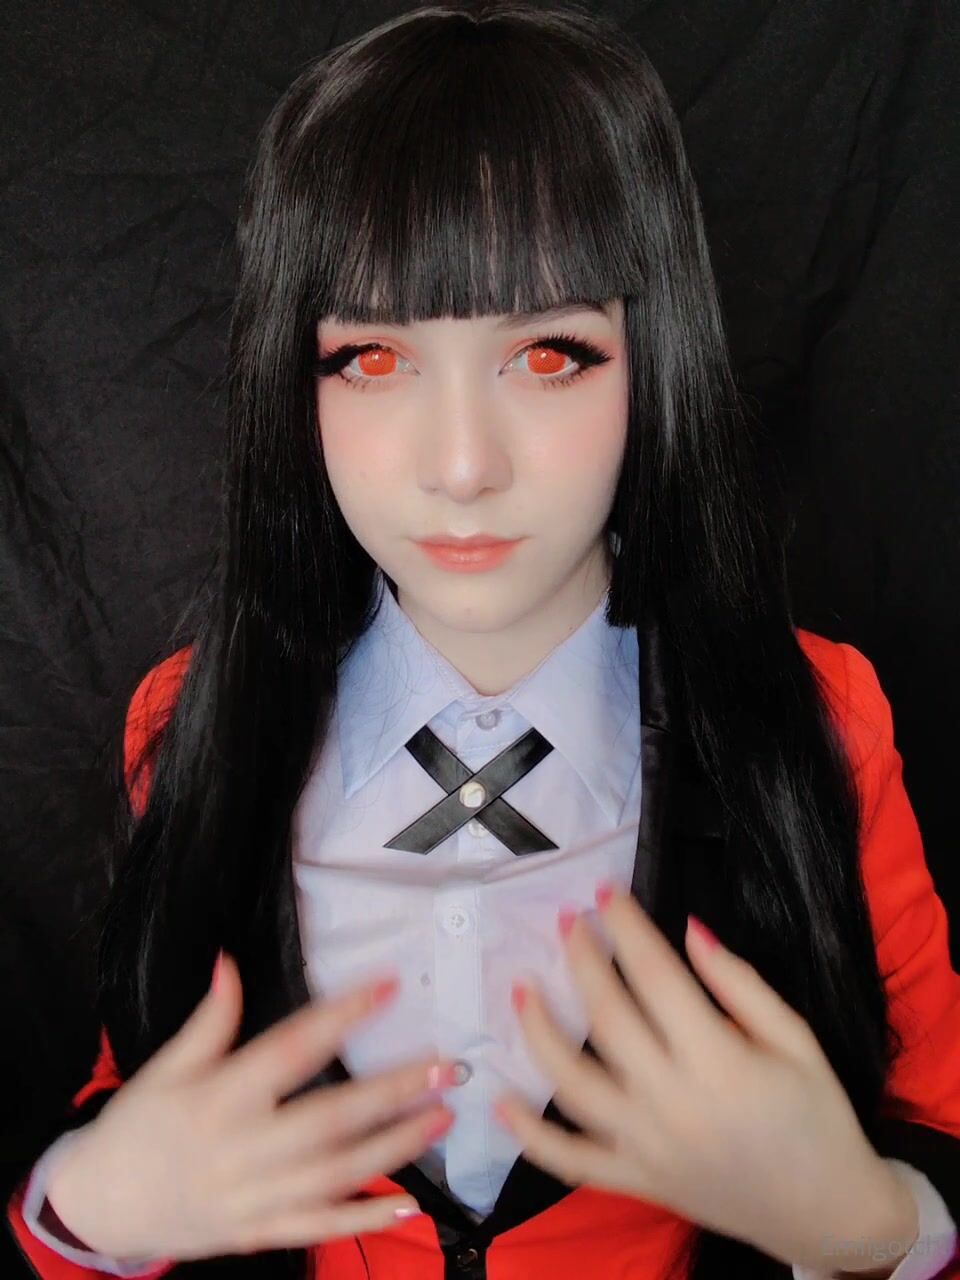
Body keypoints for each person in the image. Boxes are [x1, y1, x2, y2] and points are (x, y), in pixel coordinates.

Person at [6, 3, 960, 1278]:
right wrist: (86, 1209)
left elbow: (939, 1124)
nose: (462, 467)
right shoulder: (194, 719)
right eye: (372, 359)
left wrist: (869, 1221)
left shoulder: (816, 719)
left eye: (550, 354)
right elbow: (142, 1102)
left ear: (654, 353)